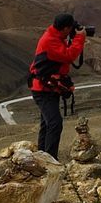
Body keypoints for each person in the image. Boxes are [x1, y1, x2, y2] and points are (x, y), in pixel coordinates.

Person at [28, 12, 86, 160]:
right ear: (65, 28)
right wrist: (79, 38)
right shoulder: (50, 41)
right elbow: (68, 56)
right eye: (71, 28)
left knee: (47, 124)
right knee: (55, 123)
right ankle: (50, 160)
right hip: (42, 90)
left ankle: (41, 158)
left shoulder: (55, 36)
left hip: (48, 88)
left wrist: (72, 38)